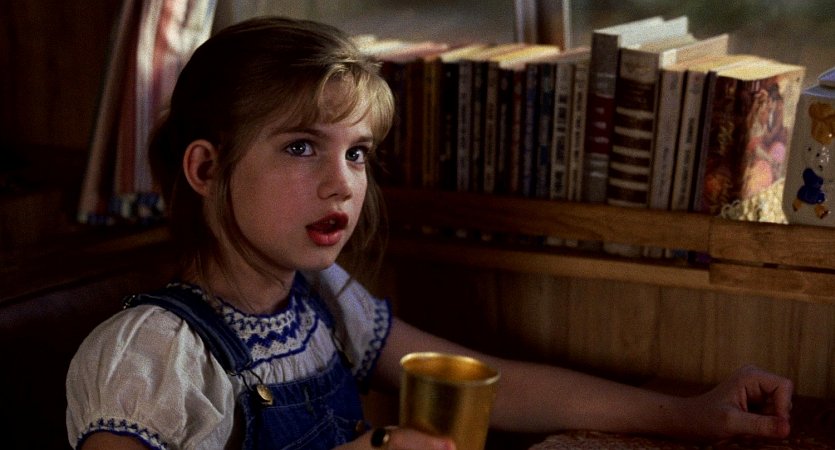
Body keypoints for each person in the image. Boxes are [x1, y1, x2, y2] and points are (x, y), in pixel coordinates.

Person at [65, 16, 794, 450]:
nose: (342, 184)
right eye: (301, 147)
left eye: (356, 153)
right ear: (205, 168)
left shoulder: (323, 298)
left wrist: (688, 415)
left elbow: (491, 385)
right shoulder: (152, 352)